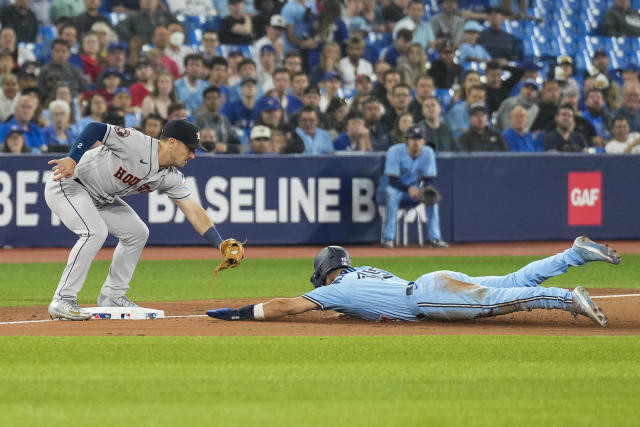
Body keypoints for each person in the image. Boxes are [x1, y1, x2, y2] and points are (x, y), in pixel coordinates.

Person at [44, 120, 242, 320]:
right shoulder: (136, 143)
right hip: (69, 184)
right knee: (95, 232)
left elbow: (193, 211)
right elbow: (94, 128)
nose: (192, 154)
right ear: (171, 142)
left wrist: (220, 243)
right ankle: (63, 298)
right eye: (189, 148)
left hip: (101, 199)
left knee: (137, 233)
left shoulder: (171, 176)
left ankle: (112, 295)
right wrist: (72, 158)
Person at [206, 237, 618, 328]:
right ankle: (572, 255)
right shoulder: (361, 276)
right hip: (432, 282)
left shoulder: (336, 289)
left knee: (502, 301)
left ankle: (567, 299)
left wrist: (240, 313)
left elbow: (287, 306)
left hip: (431, 296)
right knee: (510, 280)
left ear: (323, 272)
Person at [377, 124, 447, 249]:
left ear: (424, 141)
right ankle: (388, 238)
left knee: (432, 200)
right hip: (388, 191)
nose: (416, 142)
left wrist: (424, 192)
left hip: (414, 192)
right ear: (407, 140)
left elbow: (429, 179)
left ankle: (435, 238)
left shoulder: (428, 152)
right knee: (393, 194)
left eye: (419, 138)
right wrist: (410, 190)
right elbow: (393, 180)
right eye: (413, 138)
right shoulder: (394, 151)